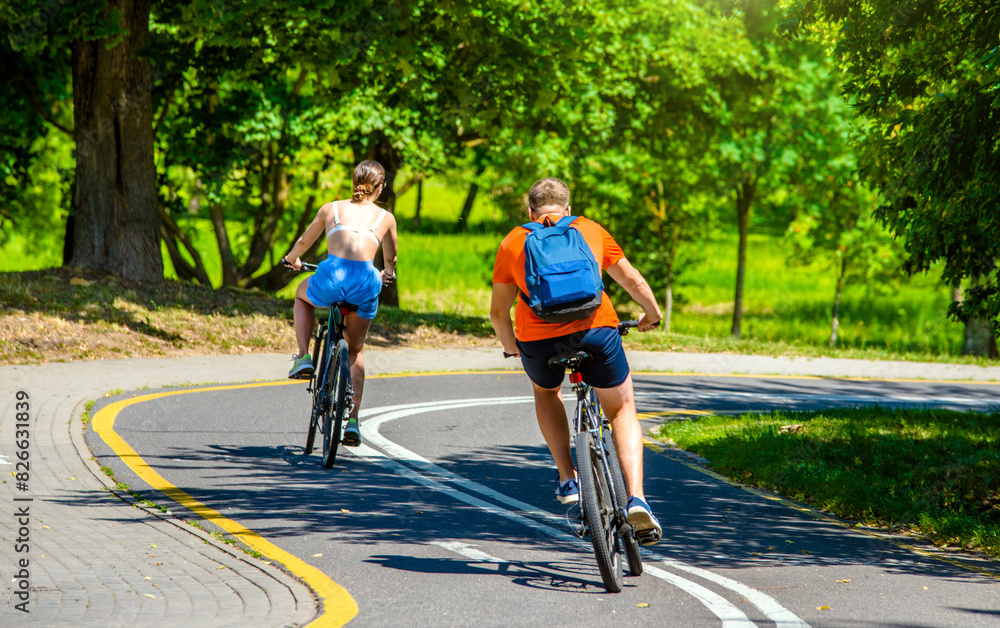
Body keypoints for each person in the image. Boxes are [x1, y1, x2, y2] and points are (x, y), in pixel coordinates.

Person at [489, 177, 664, 543]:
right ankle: (638, 499)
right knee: (621, 409)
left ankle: (568, 477)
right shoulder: (589, 229)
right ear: (567, 209)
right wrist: (651, 313)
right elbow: (631, 279)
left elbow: (498, 312)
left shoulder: (513, 241)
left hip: (538, 339)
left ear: (530, 211)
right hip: (596, 330)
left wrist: (511, 347)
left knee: (545, 393)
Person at [282, 160, 398, 446]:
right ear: (380, 188)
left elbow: (304, 241)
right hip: (364, 284)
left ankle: (304, 356)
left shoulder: (330, 209)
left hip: (332, 278)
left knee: (301, 294)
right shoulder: (386, 217)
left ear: (353, 182)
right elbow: (391, 258)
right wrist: (388, 275)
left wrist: (292, 259)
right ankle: (353, 422)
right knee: (355, 352)